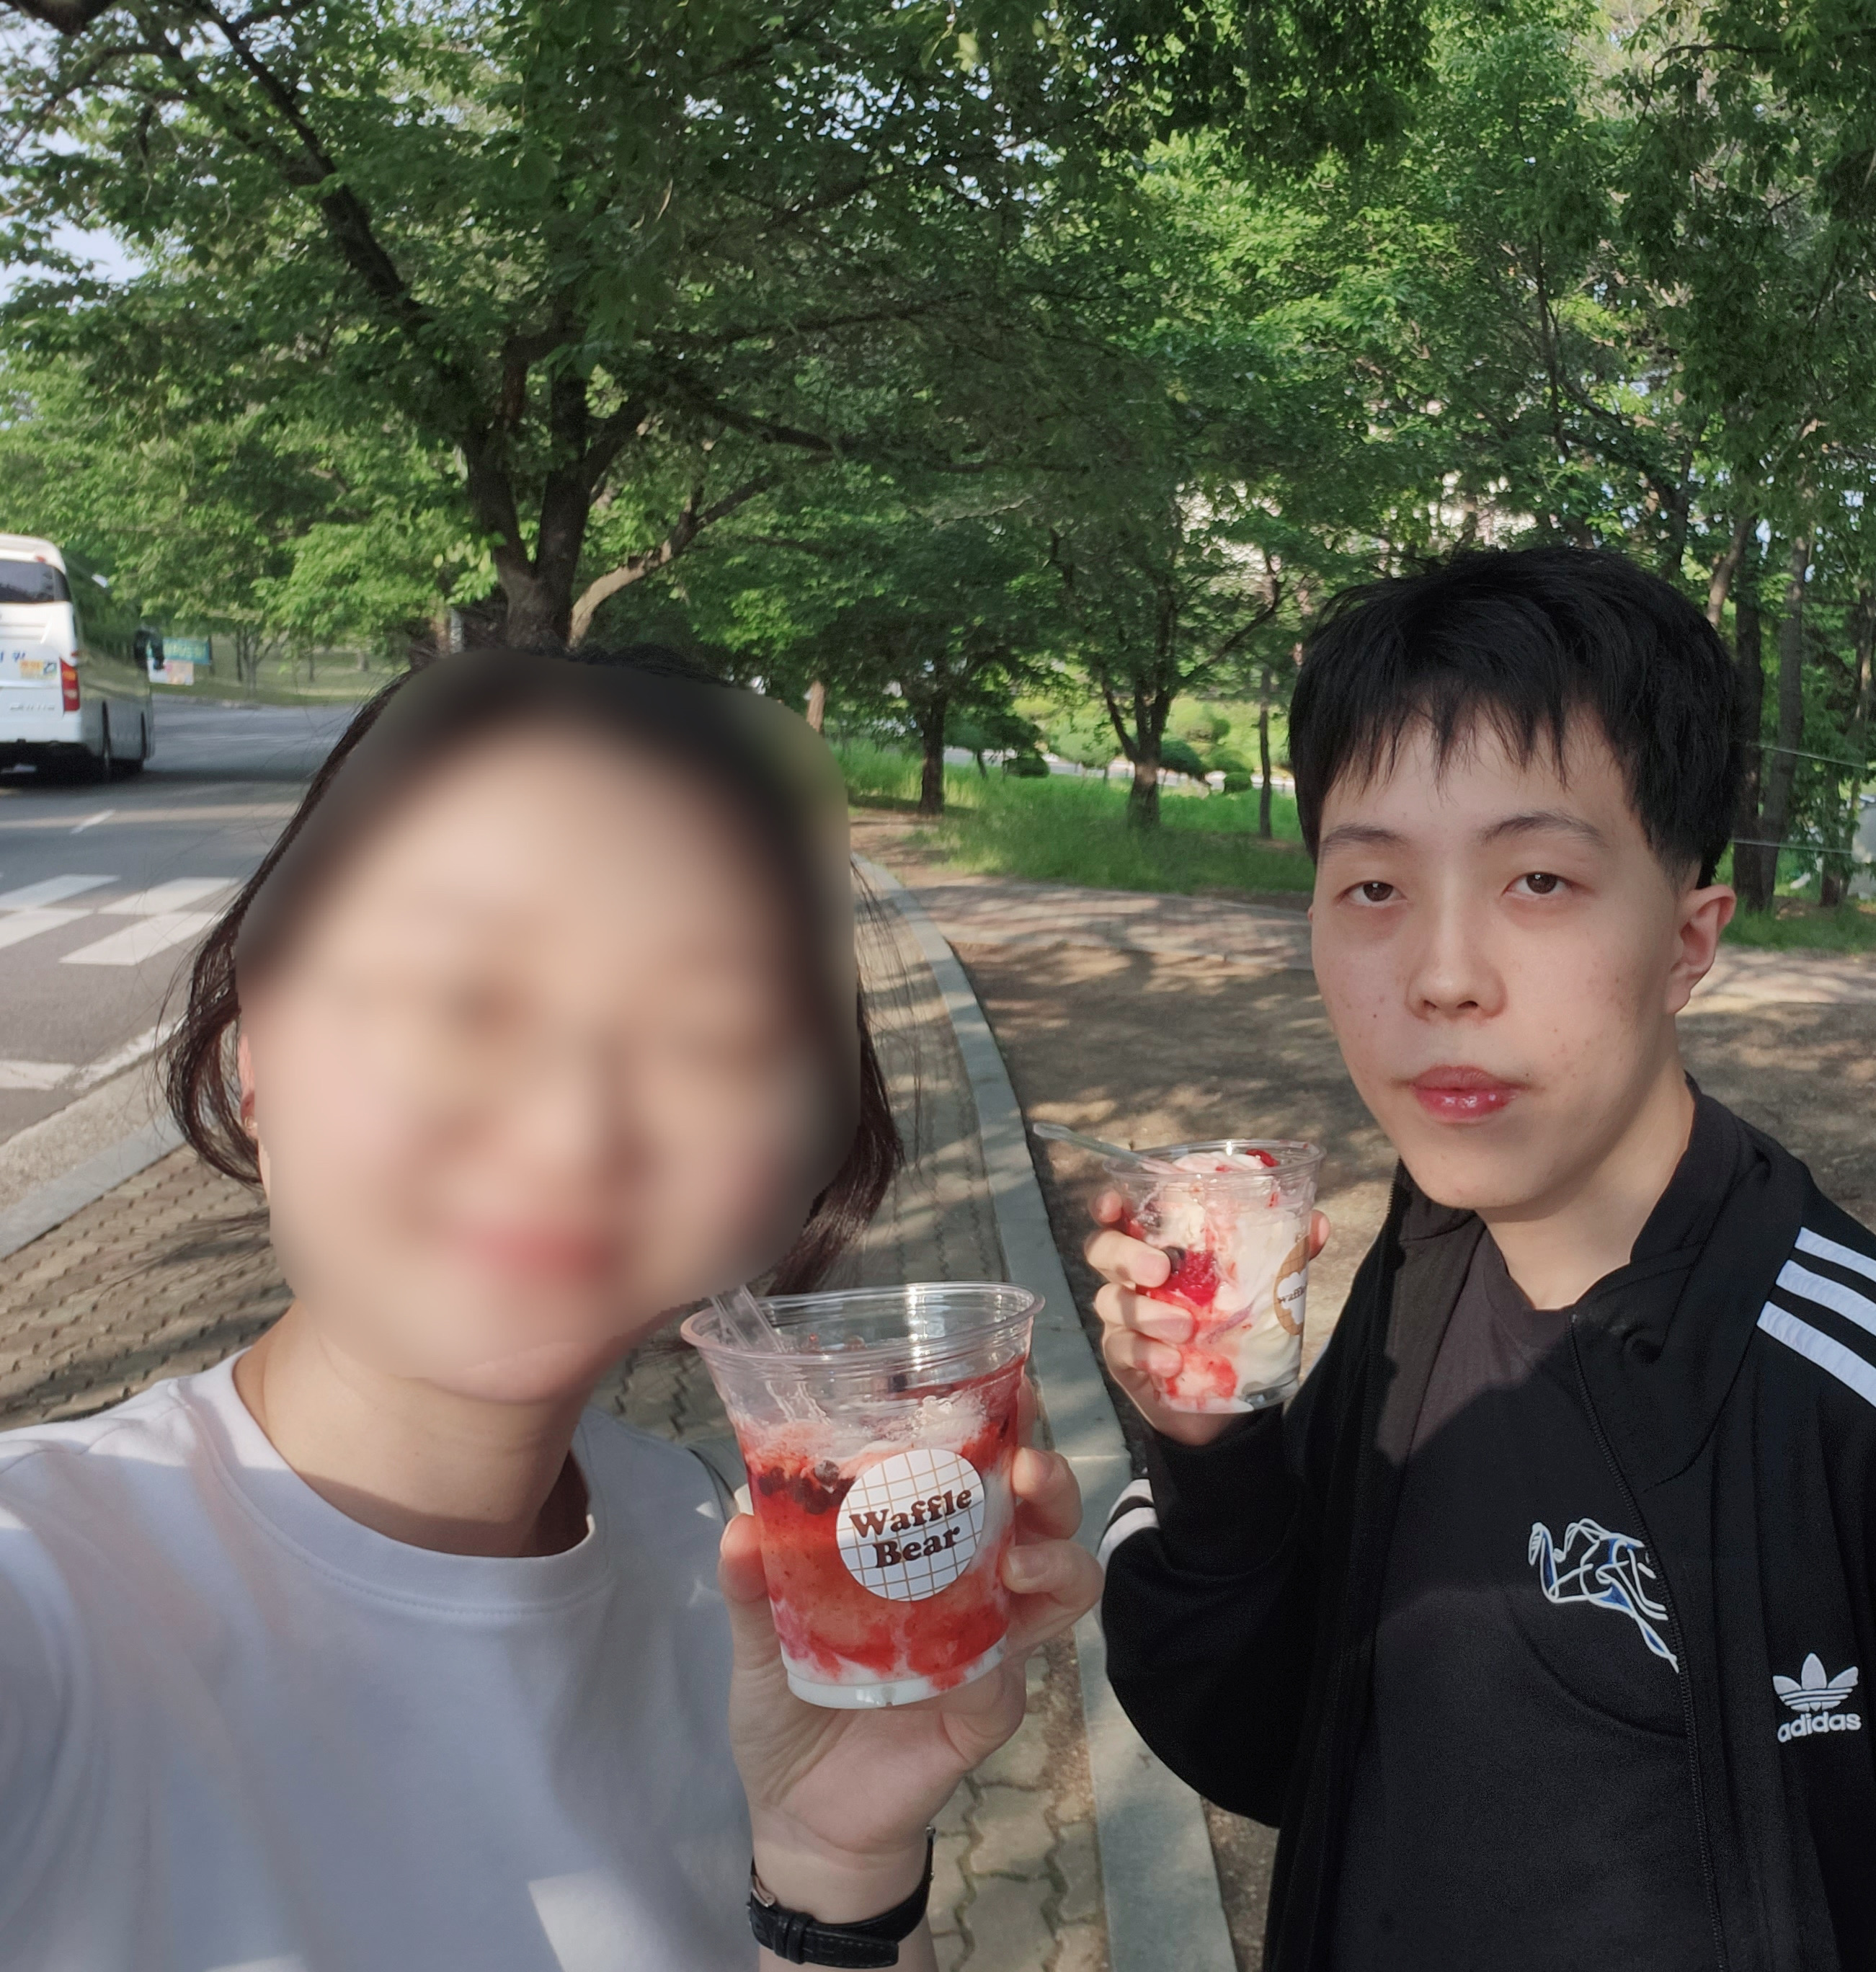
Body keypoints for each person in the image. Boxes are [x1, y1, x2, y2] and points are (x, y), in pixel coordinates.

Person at [1086, 549, 1876, 1971]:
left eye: (1538, 879)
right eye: (1373, 887)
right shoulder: (1425, 1265)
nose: (1442, 977)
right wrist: (1214, 1455)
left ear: (1689, 942)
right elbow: (1280, 1742)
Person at [0, 646, 1101, 1971]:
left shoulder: (731, 1572)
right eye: (462, 1000)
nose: (574, 1132)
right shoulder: (46, 1592)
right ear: (254, 1055)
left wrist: (839, 1877)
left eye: (712, 1036)